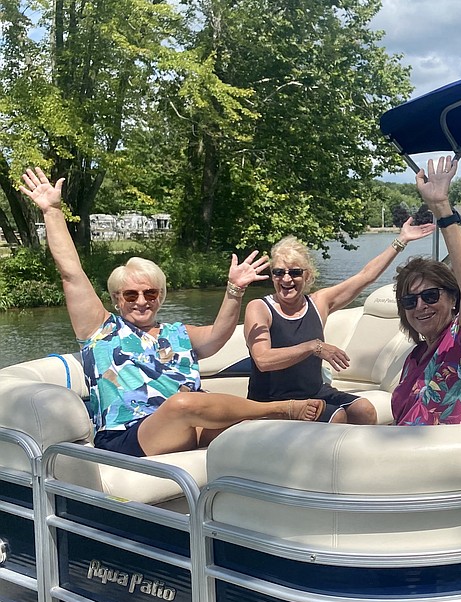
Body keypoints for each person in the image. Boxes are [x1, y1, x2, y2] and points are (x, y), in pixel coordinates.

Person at [19, 167, 324, 457]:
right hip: (128, 435)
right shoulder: (100, 330)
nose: (141, 300)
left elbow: (219, 334)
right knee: (181, 405)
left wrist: (235, 289)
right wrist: (52, 212)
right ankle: (280, 407)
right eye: (131, 294)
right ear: (116, 299)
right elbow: (71, 273)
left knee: (260, 438)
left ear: (161, 296)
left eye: (150, 293)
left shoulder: (177, 334)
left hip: (192, 426)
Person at [244, 220, 435, 423]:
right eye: (279, 272)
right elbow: (263, 360)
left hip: (314, 393)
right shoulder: (259, 308)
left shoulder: (319, 303)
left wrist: (401, 240)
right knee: (337, 417)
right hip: (271, 401)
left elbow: (365, 276)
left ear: (307, 275)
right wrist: (313, 347)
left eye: (295, 272)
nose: (286, 279)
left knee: (364, 410)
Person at [390, 156, 461, 425]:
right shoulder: (415, 358)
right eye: (409, 301)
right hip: (408, 454)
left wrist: (442, 208)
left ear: (453, 298)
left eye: (430, 296)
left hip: (460, 458)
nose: (420, 306)